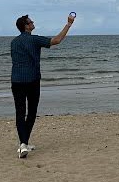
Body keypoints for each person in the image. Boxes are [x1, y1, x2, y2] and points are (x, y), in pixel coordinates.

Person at [10, 13, 75, 158]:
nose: (33, 23)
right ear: (26, 26)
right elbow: (57, 40)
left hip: (16, 81)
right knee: (31, 112)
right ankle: (23, 144)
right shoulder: (34, 39)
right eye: (30, 22)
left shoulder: (14, 42)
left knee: (20, 113)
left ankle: (23, 144)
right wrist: (69, 24)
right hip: (32, 80)